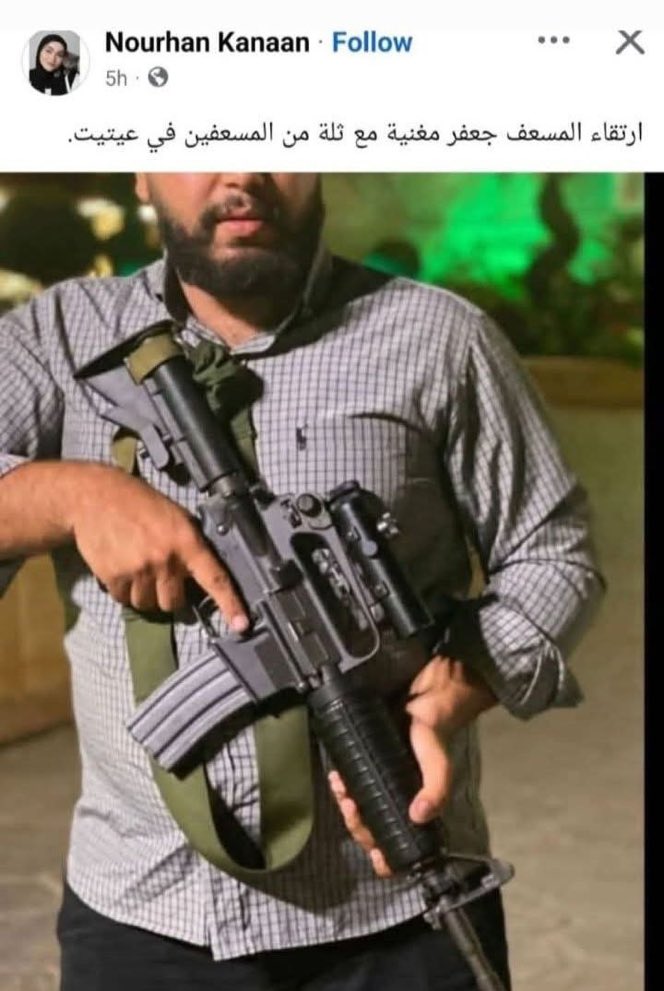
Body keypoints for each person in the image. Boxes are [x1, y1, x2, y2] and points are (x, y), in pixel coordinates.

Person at [0, 173, 605, 990]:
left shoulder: (439, 337)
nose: (241, 171)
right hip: (145, 914)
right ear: (141, 168)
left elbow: (554, 550)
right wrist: (70, 496)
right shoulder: (59, 335)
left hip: (396, 915)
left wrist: (459, 683)